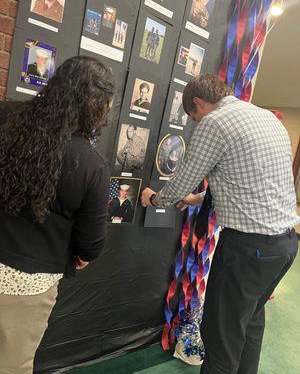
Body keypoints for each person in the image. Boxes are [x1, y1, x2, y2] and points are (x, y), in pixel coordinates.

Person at [141, 74, 299, 374]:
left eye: (194, 116)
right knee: (249, 324)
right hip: (285, 246)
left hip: (248, 250)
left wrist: (153, 199)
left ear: (199, 103)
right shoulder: (264, 116)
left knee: (221, 337)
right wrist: (195, 199)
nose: (197, 123)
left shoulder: (215, 123)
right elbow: (246, 184)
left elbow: (180, 182)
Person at [0, 56, 116, 374]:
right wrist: (78, 255)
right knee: (11, 365)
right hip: (27, 284)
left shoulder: (6, 115)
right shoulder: (90, 165)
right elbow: (90, 247)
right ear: (98, 107)